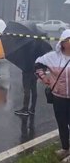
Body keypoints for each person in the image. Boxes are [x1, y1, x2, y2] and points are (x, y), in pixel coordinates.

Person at [35, 30, 70, 162]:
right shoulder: (52, 57)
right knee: (62, 123)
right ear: (63, 43)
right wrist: (45, 79)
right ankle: (65, 148)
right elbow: (37, 65)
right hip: (59, 97)